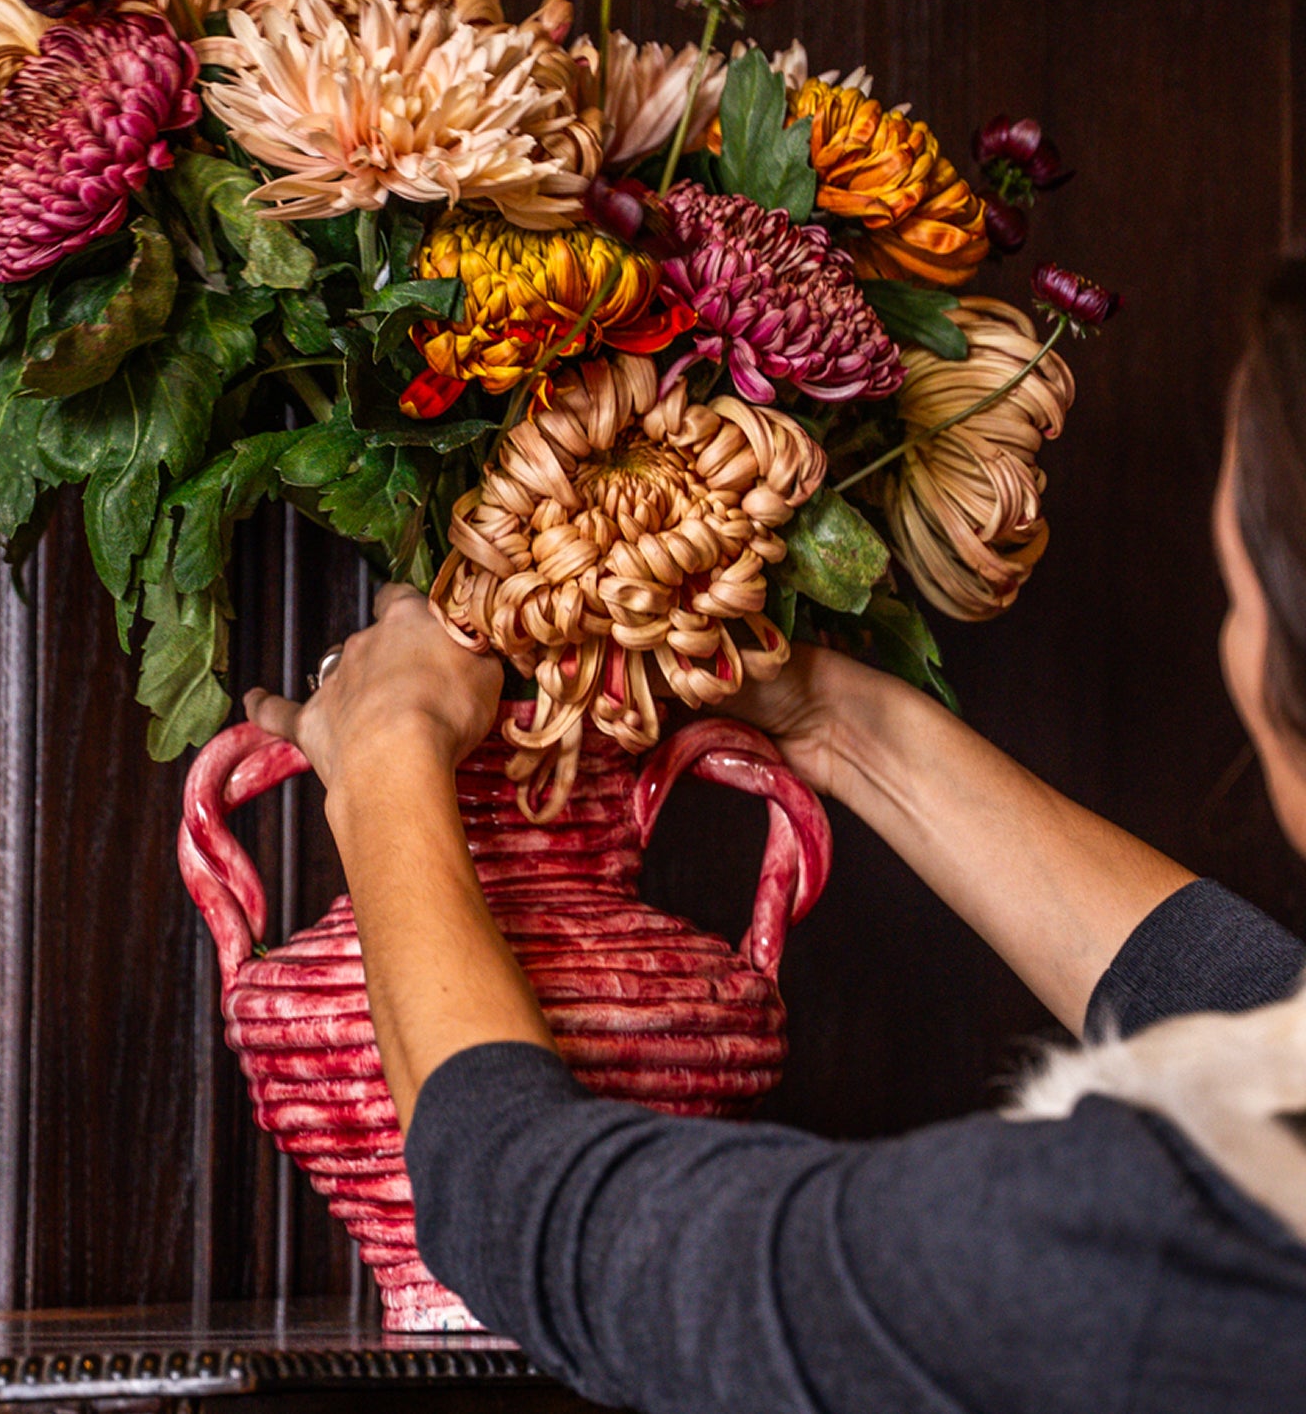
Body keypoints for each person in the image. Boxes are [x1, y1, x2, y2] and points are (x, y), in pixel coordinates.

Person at [243, 263, 1306, 1412]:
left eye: (1235, 599)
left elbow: (548, 1215)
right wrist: (830, 720)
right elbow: (1259, 1011)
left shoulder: (1158, 1240)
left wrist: (387, 748)